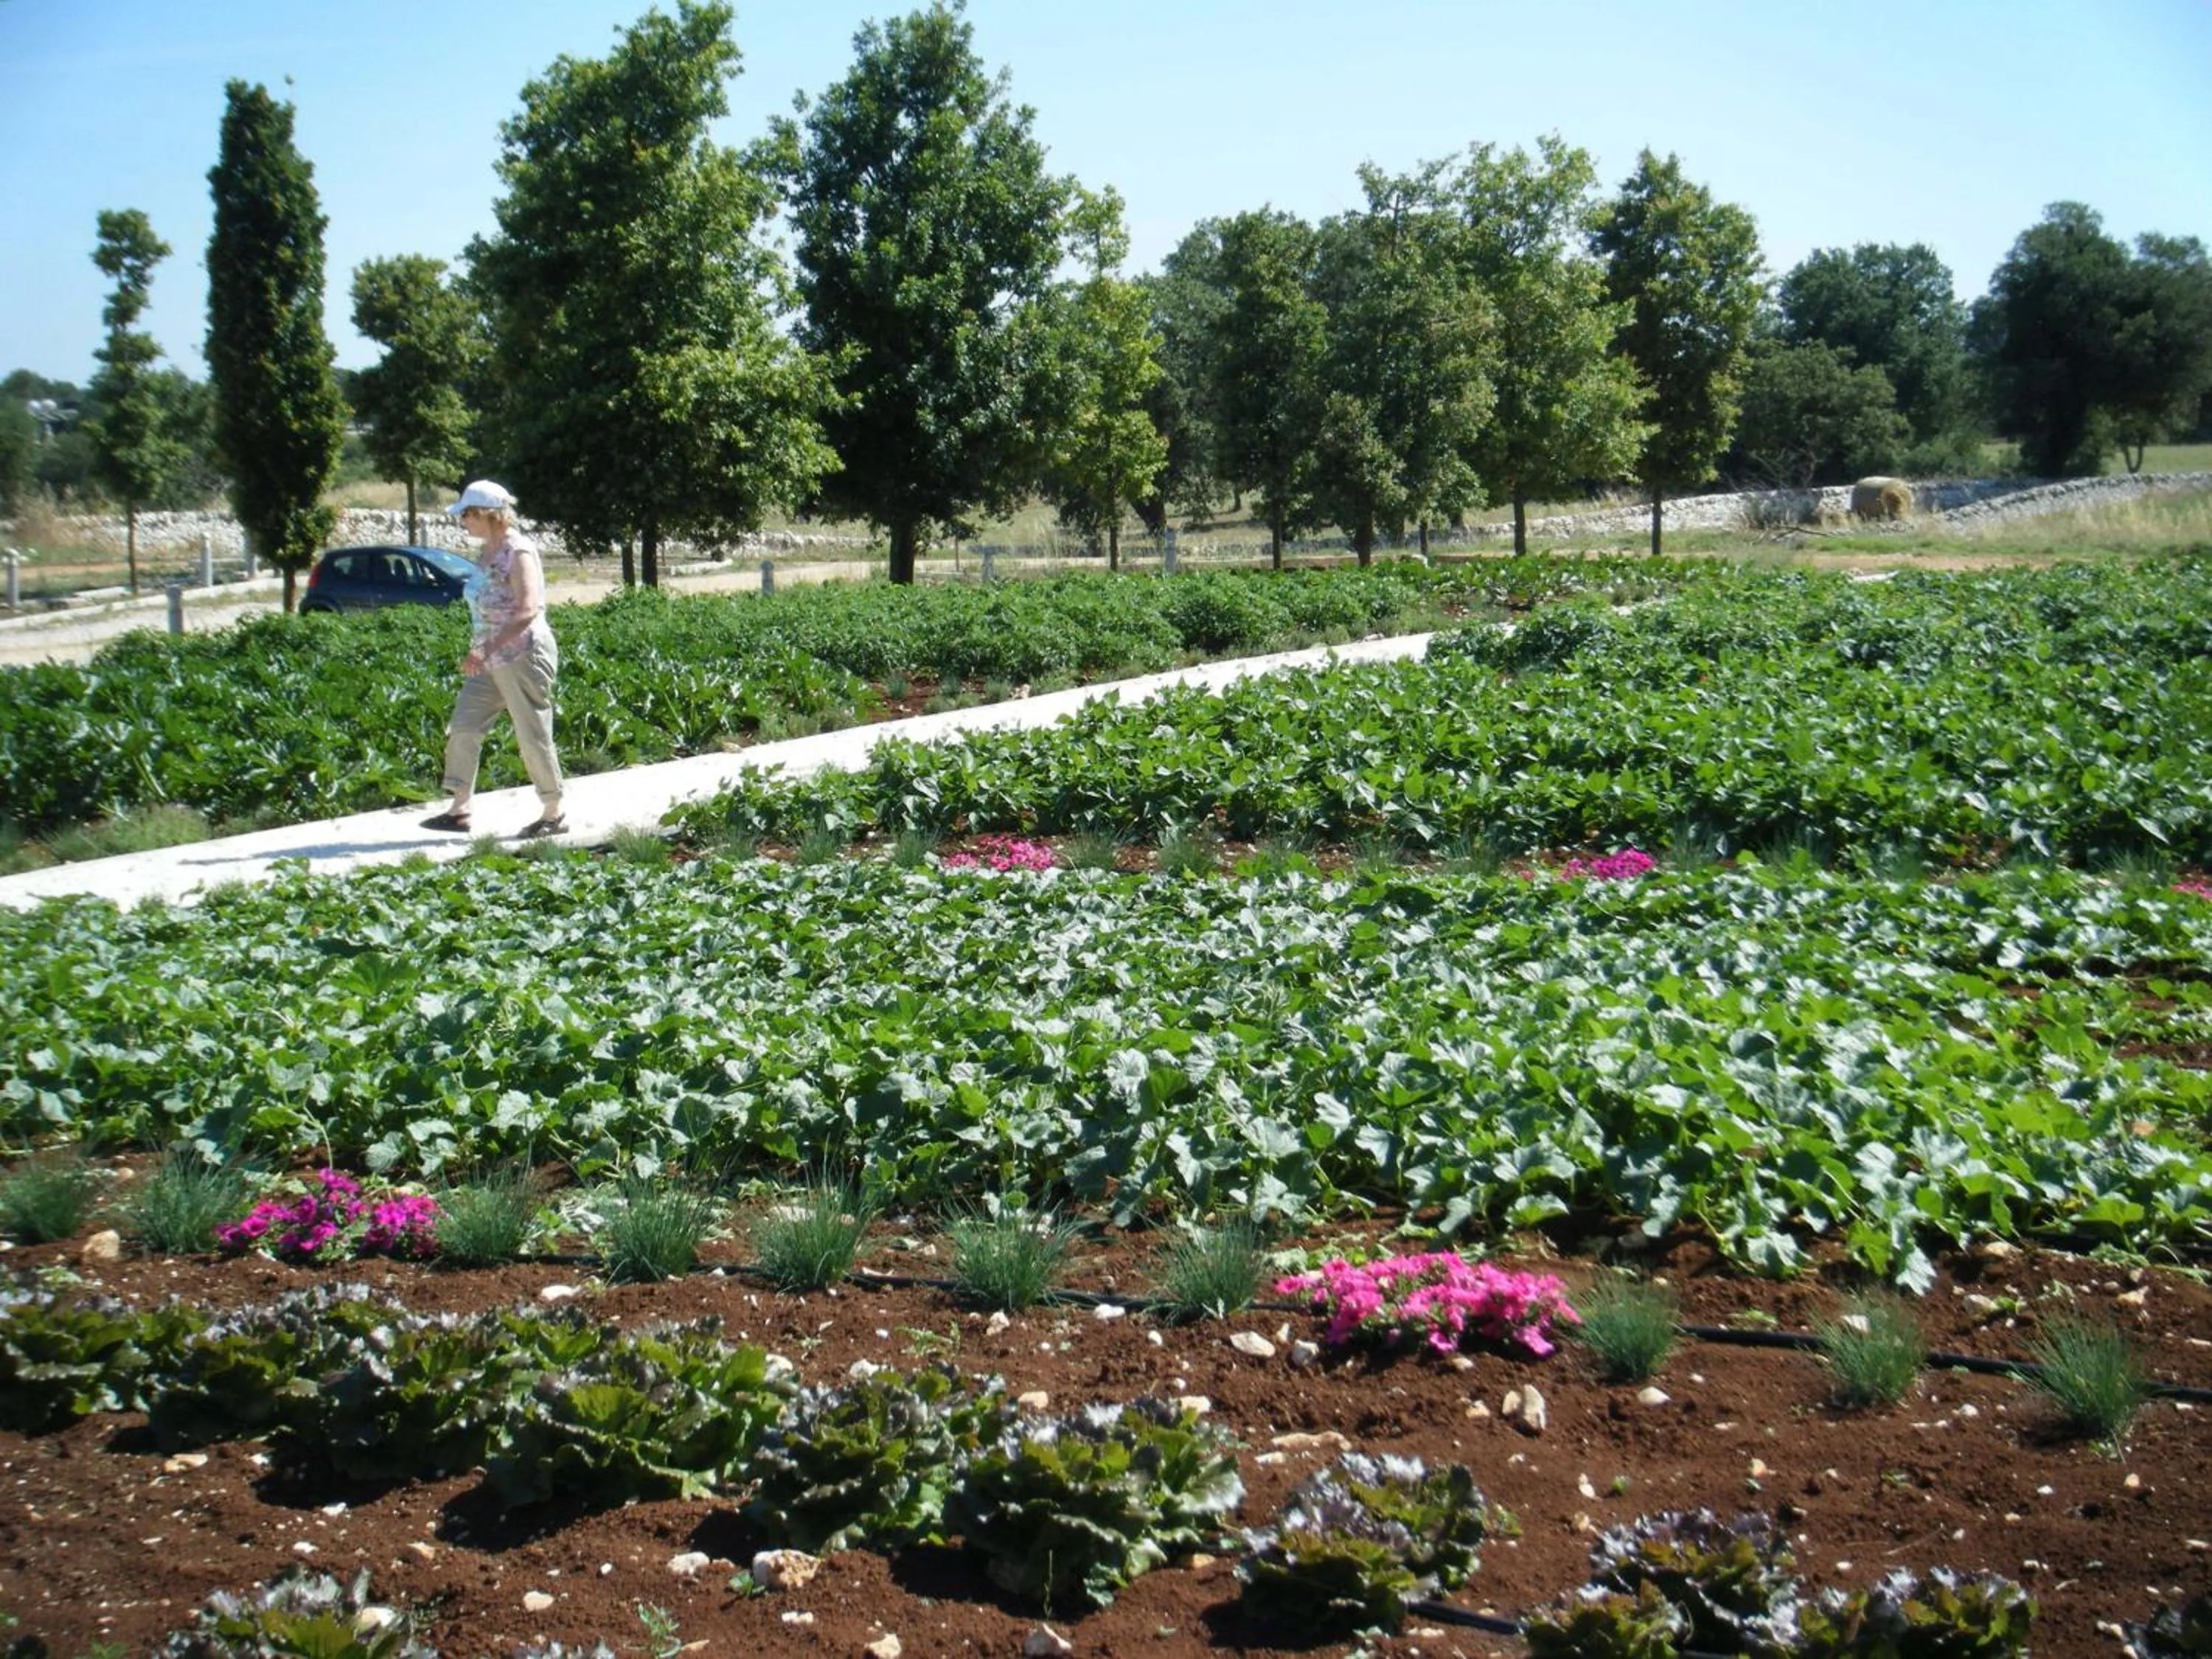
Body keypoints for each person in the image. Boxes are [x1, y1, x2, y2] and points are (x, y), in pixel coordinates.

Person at [420, 479, 566, 838]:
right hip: (490, 656)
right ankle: (460, 809)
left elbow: (528, 610)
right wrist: (484, 649)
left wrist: (486, 648)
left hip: (524, 654)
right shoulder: (486, 552)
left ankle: (554, 812)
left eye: (467, 514)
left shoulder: (519, 551)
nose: (463, 521)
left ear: (488, 514)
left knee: (531, 731)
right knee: (465, 725)